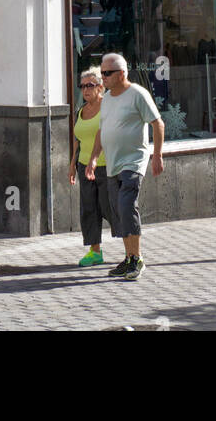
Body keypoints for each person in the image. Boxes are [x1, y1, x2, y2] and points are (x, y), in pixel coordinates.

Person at [86, 51, 164, 281]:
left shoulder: (138, 94)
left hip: (134, 161)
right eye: (102, 73)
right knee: (118, 211)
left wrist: (157, 155)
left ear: (122, 73)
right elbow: (102, 129)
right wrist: (92, 158)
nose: (104, 78)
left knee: (127, 204)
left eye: (107, 73)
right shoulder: (107, 98)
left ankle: (137, 258)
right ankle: (129, 257)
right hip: (113, 163)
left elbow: (157, 123)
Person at [68, 66, 120, 266]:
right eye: (82, 86)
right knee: (89, 209)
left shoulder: (109, 108)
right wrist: (73, 164)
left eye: (90, 85)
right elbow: (77, 139)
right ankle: (95, 251)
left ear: (100, 87)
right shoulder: (81, 111)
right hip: (84, 167)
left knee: (111, 208)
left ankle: (130, 249)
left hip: (107, 166)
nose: (85, 90)